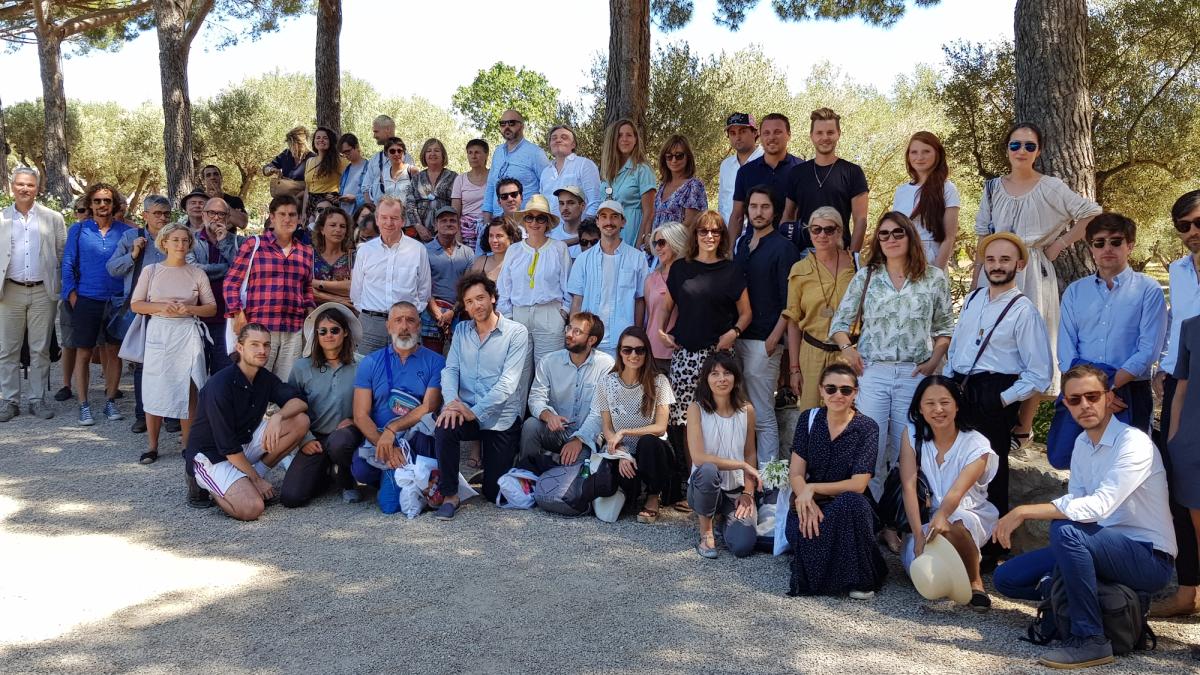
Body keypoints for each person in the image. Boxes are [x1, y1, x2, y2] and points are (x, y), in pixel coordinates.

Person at [992, 364, 1176, 669]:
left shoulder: (1133, 443)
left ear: (1109, 398)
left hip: (1147, 557)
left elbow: (1099, 506)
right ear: (1066, 404)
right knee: (1006, 578)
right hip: (1098, 548)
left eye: (1092, 396)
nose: (1085, 405)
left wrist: (1023, 510)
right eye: (1075, 400)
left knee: (1065, 531)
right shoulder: (1081, 444)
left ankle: (1090, 639)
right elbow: (1077, 500)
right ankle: (1087, 591)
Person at [975, 122, 1103, 448]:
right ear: (1007, 149)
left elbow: (1091, 212)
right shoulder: (991, 188)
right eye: (1015, 145)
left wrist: (1060, 243)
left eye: (1029, 146)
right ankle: (991, 417)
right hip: (994, 271)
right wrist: (979, 282)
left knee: (1035, 345)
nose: (1021, 151)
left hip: (1033, 271)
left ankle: (1024, 426)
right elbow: (981, 236)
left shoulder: (1051, 187)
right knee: (992, 344)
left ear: (1039, 151)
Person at [829, 212, 953, 513]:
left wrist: (934, 359)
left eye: (898, 233)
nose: (891, 239)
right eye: (884, 234)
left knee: (906, 447)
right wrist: (848, 349)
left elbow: (945, 327)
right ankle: (872, 515)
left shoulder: (933, 278)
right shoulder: (868, 276)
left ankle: (900, 516)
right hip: (874, 372)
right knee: (871, 445)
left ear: (909, 235)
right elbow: (839, 323)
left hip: (914, 373)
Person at [945, 233, 1052, 521]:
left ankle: (991, 542)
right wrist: (946, 381)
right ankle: (957, 530)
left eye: (1004, 259)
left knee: (991, 470)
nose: (996, 266)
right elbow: (958, 344)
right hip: (960, 387)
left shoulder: (1024, 312)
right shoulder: (973, 299)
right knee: (955, 461)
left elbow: (1041, 373)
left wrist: (1003, 399)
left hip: (994, 392)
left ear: (1019, 265)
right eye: (991, 259)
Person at [185, 323, 312, 519]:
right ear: (240, 348)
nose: (262, 350)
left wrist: (278, 416)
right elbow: (228, 447)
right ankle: (206, 485)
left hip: (243, 442)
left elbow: (299, 402)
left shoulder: (264, 377)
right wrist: (256, 482)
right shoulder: (220, 385)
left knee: (299, 421)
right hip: (212, 455)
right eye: (255, 344)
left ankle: (252, 475)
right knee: (252, 508)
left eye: (266, 345)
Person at [434, 271, 532, 518]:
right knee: (445, 424)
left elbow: (508, 384)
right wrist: (452, 404)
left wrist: (472, 412)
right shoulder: (462, 331)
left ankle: (493, 471)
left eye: (480, 298)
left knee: (492, 492)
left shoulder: (516, 332)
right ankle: (450, 494)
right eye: (469, 302)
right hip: (465, 411)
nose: (476, 305)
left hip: (500, 419)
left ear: (492, 298)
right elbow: (450, 370)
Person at [1058, 212, 1167, 434]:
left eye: (1116, 241)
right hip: (1083, 394)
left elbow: (1148, 350)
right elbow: (1066, 347)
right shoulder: (1075, 292)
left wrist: (1107, 388)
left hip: (1130, 391)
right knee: (1079, 462)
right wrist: (1092, 392)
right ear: (1091, 248)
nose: (1107, 248)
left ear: (1130, 246)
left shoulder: (1149, 290)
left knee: (1131, 464)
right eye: (1099, 242)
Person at [786, 363, 886, 598]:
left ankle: (859, 581)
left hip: (851, 506)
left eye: (845, 390)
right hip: (811, 502)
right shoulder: (808, 420)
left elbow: (859, 484)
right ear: (821, 390)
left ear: (855, 393)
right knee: (806, 531)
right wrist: (805, 501)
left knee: (850, 502)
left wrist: (812, 488)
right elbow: (796, 472)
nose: (837, 395)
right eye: (831, 389)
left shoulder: (866, 427)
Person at [899, 376, 999, 610]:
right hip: (924, 515)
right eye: (930, 403)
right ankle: (954, 575)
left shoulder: (976, 444)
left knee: (955, 522)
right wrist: (917, 534)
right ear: (920, 408)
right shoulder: (912, 433)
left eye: (945, 402)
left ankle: (975, 582)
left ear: (957, 404)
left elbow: (956, 493)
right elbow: (909, 485)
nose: (938, 409)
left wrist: (942, 517)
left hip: (966, 511)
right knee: (922, 571)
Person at [658, 211, 750, 462]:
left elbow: (746, 313)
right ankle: (693, 480)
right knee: (687, 418)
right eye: (703, 231)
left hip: (718, 356)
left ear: (722, 237)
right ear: (695, 235)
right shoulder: (680, 268)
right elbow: (667, 306)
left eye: (715, 231)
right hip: (686, 355)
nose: (709, 236)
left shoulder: (732, 270)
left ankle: (723, 475)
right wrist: (662, 331)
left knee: (720, 414)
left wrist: (734, 333)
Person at [129, 223, 216, 465]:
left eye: (185, 240)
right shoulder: (151, 270)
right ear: (164, 243)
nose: (180, 244)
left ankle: (188, 444)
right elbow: (136, 304)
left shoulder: (197, 273)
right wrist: (161, 307)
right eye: (175, 240)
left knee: (189, 387)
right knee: (154, 385)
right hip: (160, 330)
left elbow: (211, 308)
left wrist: (188, 308)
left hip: (187, 331)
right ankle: (152, 445)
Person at [1152, 190, 1200, 618]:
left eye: (1198, 223)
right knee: (1181, 495)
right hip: (1182, 382)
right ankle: (1188, 593)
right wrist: (1163, 372)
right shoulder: (1180, 272)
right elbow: (1180, 326)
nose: (1192, 233)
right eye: (1183, 226)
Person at [732, 186, 800, 472]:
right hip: (738, 337)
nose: (758, 212)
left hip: (765, 340)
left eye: (765, 207)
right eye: (753, 207)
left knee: (762, 413)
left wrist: (775, 337)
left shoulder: (784, 248)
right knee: (741, 411)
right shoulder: (742, 244)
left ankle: (770, 479)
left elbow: (791, 301)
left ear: (774, 211)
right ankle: (744, 475)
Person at [351, 301, 444, 507]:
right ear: (388, 326)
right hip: (381, 439)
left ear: (419, 326)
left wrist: (393, 429)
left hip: (416, 439)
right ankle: (392, 475)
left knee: (389, 506)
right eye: (398, 320)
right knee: (360, 470)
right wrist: (388, 445)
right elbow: (360, 415)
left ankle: (398, 479)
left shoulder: (436, 362)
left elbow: (429, 406)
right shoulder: (371, 362)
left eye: (410, 320)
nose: (404, 327)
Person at [107, 195, 186, 433]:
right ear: (145, 215)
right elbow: (112, 269)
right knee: (143, 365)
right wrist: (133, 254)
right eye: (157, 213)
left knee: (173, 364)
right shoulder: (131, 237)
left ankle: (172, 416)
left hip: (172, 312)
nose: (162, 218)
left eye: (166, 214)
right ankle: (143, 414)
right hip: (142, 311)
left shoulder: (176, 236)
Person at [279, 303, 364, 508]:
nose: (329, 335)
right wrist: (304, 439)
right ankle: (325, 472)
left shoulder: (362, 364)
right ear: (316, 335)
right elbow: (290, 407)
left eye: (335, 330)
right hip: (315, 437)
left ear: (345, 333)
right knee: (292, 497)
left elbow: (375, 403)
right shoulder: (301, 367)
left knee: (340, 442)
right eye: (323, 331)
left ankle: (346, 479)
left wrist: (355, 420)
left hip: (348, 434)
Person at [61, 183, 132, 426]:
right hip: (86, 298)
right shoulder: (78, 230)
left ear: (114, 205)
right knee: (84, 352)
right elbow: (68, 263)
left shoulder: (126, 231)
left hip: (116, 300)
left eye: (107, 201)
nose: (103, 205)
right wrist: (72, 295)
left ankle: (111, 401)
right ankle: (83, 404)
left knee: (113, 352)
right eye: (98, 201)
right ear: (90, 204)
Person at [223, 195, 316, 381]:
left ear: (299, 219)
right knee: (254, 382)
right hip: (260, 327)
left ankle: (280, 412)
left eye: (292, 214)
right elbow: (231, 282)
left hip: (293, 329)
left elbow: (306, 288)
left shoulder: (306, 252)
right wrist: (236, 313)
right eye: (282, 214)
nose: (287, 219)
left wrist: (311, 311)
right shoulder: (254, 245)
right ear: (272, 217)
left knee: (285, 385)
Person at [0, 167, 65, 422]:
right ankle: (9, 400)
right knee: (7, 349)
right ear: (12, 186)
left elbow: (61, 252)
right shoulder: (2, 218)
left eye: (30, 185)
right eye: (20, 184)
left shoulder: (53, 218)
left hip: (42, 291)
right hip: (10, 291)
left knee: (40, 349)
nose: (25, 189)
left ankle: (37, 399)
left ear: (37, 188)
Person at [592, 326, 675, 523]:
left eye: (640, 350)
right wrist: (621, 452)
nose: (633, 355)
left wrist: (625, 431)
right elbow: (606, 427)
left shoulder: (659, 382)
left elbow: (661, 427)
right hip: (623, 452)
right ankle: (632, 492)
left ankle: (654, 495)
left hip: (654, 453)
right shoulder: (606, 382)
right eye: (627, 350)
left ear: (647, 352)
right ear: (619, 352)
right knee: (623, 489)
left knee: (648, 442)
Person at [518, 312, 613, 471]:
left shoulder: (606, 365)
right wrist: (548, 416)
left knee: (572, 479)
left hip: (589, 436)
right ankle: (525, 476)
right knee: (531, 425)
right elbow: (535, 398)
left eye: (577, 331)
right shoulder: (548, 361)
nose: (569, 334)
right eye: (569, 328)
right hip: (557, 431)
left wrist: (578, 439)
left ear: (592, 340)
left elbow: (599, 412)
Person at [686, 351, 759, 558]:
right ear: (706, 379)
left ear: (735, 377)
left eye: (727, 373)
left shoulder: (747, 410)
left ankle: (723, 520)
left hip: (735, 489)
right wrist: (741, 465)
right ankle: (706, 532)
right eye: (714, 374)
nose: (721, 379)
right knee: (708, 470)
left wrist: (748, 492)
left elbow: (750, 453)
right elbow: (699, 458)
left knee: (742, 546)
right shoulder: (696, 409)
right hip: (703, 485)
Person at [783, 206, 856, 410]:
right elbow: (793, 322)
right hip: (812, 354)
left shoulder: (856, 265)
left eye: (829, 229)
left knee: (847, 418)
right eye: (816, 229)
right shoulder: (800, 269)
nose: (822, 235)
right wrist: (794, 368)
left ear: (840, 231)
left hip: (848, 354)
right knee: (812, 418)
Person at [349, 196, 432, 354]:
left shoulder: (418, 250)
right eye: (384, 218)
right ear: (377, 220)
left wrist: (409, 316)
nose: (389, 223)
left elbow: (424, 291)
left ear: (402, 221)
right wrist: (371, 314)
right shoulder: (365, 251)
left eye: (394, 218)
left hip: (406, 325)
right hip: (370, 326)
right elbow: (356, 293)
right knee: (367, 373)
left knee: (406, 373)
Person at [496, 194, 572, 366]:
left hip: (549, 314)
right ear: (524, 221)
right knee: (518, 372)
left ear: (547, 222)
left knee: (547, 371)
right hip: (519, 314)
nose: (534, 223)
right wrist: (508, 317)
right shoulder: (514, 250)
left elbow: (568, 286)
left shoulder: (559, 248)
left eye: (540, 218)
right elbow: (503, 286)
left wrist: (563, 312)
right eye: (529, 217)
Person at [782, 107, 870, 252]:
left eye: (830, 132)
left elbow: (860, 220)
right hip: (803, 254)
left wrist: (852, 257)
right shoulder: (797, 173)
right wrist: (787, 252)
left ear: (838, 134)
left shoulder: (853, 172)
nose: (825, 137)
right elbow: (788, 216)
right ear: (812, 136)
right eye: (819, 133)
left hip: (840, 253)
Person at [567, 200, 648, 356]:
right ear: (597, 222)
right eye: (603, 217)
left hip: (623, 341)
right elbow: (577, 300)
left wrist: (636, 336)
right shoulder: (583, 259)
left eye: (614, 217)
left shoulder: (637, 258)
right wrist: (576, 334)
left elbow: (640, 300)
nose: (609, 222)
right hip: (589, 340)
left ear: (623, 221)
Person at [728, 113, 801, 243]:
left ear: (789, 135)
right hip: (754, 249)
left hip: (794, 249)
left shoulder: (802, 169)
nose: (771, 137)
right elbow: (737, 216)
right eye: (766, 133)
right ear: (760, 136)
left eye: (777, 132)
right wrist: (729, 253)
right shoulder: (745, 172)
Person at [892, 132, 959, 268]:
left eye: (926, 151)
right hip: (903, 258)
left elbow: (949, 237)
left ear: (937, 153)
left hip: (932, 259)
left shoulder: (947, 188)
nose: (919, 157)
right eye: (914, 152)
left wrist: (937, 274)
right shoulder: (901, 191)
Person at [192, 197, 243, 375]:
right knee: (195, 375)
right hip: (197, 318)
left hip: (227, 320)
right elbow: (194, 271)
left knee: (223, 375)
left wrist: (224, 243)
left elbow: (241, 270)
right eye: (211, 213)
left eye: (221, 214)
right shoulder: (191, 240)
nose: (215, 218)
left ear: (228, 218)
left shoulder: (239, 243)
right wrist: (227, 269)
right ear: (204, 215)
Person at [481, 109, 550, 221]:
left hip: (526, 222)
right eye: (502, 124)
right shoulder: (498, 152)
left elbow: (548, 188)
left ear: (522, 126)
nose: (506, 127)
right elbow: (490, 186)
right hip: (498, 222)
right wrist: (487, 220)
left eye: (511, 123)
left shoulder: (536, 153)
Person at [599, 118, 656, 247]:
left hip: (631, 232)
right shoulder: (607, 173)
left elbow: (649, 211)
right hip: (607, 234)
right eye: (620, 135)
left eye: (629, 135)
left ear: (636, 140)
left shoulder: (642, 170)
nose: (625, 139)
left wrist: (640, 242)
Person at [424, 207, 472, 352]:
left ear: (458, 225)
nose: (448, 223)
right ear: (436, 225)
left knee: (459, 361)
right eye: (443, 221)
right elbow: (423, 286)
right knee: (431, 361)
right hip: (431, 314)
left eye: (452, 220)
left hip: (460, 313)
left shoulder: (467, 252)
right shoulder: (424, 251)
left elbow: (468, 287)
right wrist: (438, 314)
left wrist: (452, 312)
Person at [643, 222, 687, 373]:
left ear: (676, 241)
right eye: (655, 243)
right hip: (653, 352)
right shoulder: (651, 279)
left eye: (662, 243)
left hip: (683, 352)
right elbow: (649, 317)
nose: (657, 248)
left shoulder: (692, 277)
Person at [368, 137, 429, 241]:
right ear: (387, 154)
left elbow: (424, 198)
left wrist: (419, 224)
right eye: (392, 151)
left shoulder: (412, 171)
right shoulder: (383, 174)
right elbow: (380, 199)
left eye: (399, 150)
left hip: (410, 224)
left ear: (404, 153)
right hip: (391, 223)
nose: (396, 154)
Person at [540, 125, 601, 218]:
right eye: (554, 138)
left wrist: (585, 229)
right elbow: (543, 205)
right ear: (549, 144)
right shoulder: (545, 173)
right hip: (550, 231)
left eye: (564, 137)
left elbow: (595, 201)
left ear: (573, 144)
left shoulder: (584, 165)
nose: (558, 140)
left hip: (578, 230)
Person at [717, 113, 764, 226]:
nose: (737, 137)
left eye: (743, 131)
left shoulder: (766, 160)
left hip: (759, 235)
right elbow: (723, 201)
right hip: (729, 234)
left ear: (755, 132)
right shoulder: (726, 165)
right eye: (732, 133)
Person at [653, 135, 707, 230]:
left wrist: (664, 239)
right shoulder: (662, 186)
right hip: (656, 242)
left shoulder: (694, 186)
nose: (674, 160)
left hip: (677, 243)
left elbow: (690, 223)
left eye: (679, 156)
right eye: (669, 156)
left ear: (688, 157)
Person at [408, 138, 457, 236]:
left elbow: (457, 206)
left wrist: (444, 228)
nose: (433, 153)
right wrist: (418, 227)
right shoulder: (417, 178)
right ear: (424, 155)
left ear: (443, 155)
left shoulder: (454, 177)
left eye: (437, 150)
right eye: (429, 151)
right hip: (419, 233)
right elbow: (410, 205)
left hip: (446, 231)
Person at [301, 126, 348, 220]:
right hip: (311, 205)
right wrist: (303, 213)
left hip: (328, 205)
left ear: (331, 141)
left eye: (325, 138)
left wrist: (340, 197)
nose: (321, 140)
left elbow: (350, 181)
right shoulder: (309, 161)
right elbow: (307, 189)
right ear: (314, 141)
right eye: (318, 138)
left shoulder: (340, 161)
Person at [451, 138, 489, 252]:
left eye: (477, 152)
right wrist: (458, 240)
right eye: (470, 153)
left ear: (486, 154)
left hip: (490, 230)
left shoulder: (494, 177)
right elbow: (455, 213)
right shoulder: (460, 179)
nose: (473, 156)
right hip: (466, 233)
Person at [312, 207, 354, 308]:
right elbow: (304, 289)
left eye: (342, 226)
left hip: (347, 317)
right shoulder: (310, 256)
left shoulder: (353, 257)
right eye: (333, 225)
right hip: (314, 316)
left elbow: (353, 287)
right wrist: (338, 299)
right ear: (322, 230)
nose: (338, 229)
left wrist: (318, 284)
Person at [469, 218, 521, 282]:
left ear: (511, 238)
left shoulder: (519, 263)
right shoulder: (480, 263)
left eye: (499, 236)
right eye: (491, 236)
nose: (494, 240)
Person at [337, 133, 368, 211]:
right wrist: (337, 197)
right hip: (345, 214)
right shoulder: (346, 170)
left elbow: (373, 193)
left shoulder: (369, 168)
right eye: (343, 153)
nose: (346, 155)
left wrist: (355, 199)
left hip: (359, 215)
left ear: (357, 146)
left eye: (348, 151)